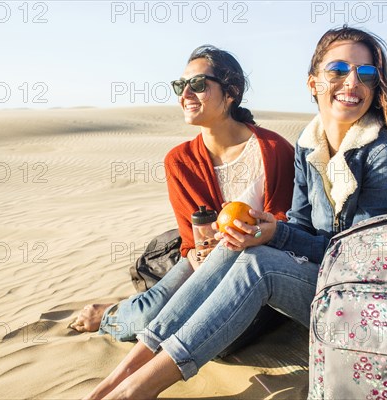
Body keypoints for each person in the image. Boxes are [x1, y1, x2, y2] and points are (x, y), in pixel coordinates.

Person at [82, 26, 387, 400]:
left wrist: (276, 235)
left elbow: (361, 258)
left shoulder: (383, 152)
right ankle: (116, 381)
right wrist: (266, 231)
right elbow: (298, 223)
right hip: (324, 283)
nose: (352, 82)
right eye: (337, 70)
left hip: (366, 300)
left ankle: (137, 391)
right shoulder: (308, 146)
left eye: (365, 73)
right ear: (312, 83)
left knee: (259, 264)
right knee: (237, 249)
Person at [70, 45, 295, 350]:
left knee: (217, 340)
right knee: (143, 321)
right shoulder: (180, 160)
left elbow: (285, 222)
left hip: (254, 263)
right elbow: (191, 240)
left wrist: (252, 236)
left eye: (199, 85)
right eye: (180, 85)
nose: (185, 94)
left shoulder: (274, 150)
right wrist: (201, 253)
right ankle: (110, 315)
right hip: (203, 262)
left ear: (231, 92)